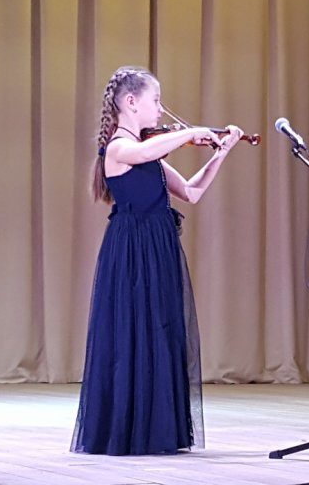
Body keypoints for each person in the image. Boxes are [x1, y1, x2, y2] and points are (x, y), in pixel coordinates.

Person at [71, 66, 243, 455]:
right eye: (156, 100)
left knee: (160, 332)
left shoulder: (152, 153)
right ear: (131, 102)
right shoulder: (118, 149)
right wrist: (192, 131)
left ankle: (158, 429)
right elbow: (144, 151)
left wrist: (222, 152)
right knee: (134, 335)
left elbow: (192, 192)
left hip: (158, 249)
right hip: (132, 254)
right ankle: (129, 430)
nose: (161, 109)